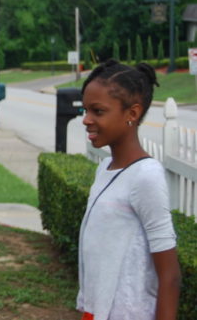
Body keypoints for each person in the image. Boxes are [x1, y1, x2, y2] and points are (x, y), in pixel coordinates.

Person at [78, 59, 181, 320]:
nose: (86, 120)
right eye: (85, 110)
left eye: (97, 111)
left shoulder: (146, 176)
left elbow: (169, 274)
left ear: (132, 114)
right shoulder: (105, 169)